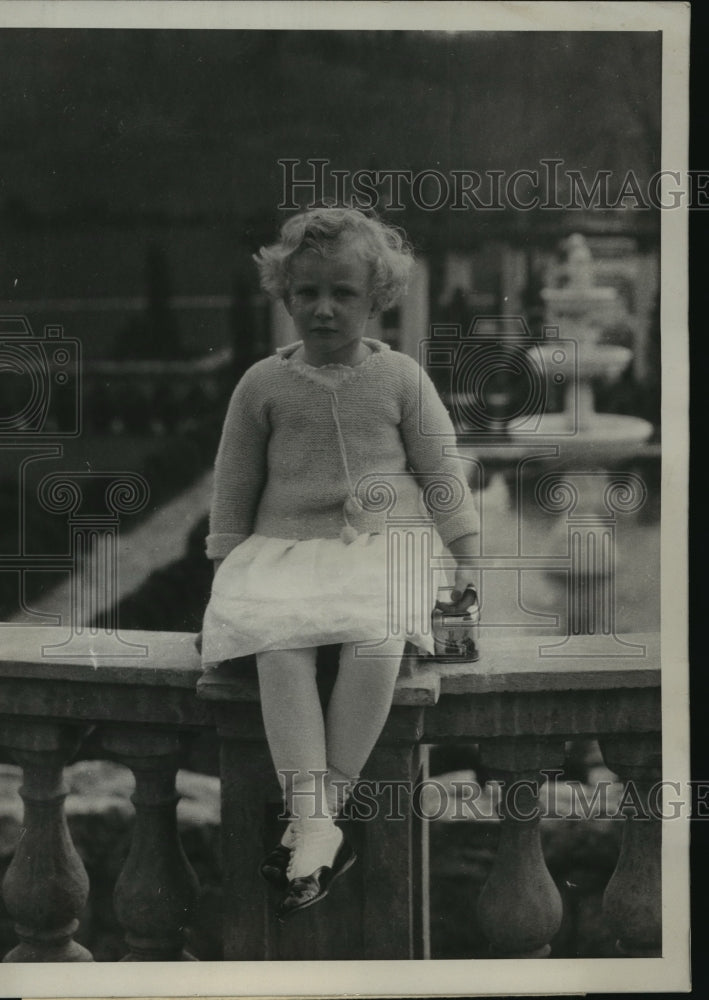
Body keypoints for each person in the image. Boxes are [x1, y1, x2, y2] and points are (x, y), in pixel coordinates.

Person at [200, 206, 479, 921]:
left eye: (343, 293)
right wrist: (227, 582)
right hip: (285, 551)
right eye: (307, 293)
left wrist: (467, 567)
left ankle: (324, 810)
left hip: (377, 549)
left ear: (376, 296)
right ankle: (314, 819)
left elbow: (441, 473)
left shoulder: (400, 379)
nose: (323, 309)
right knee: (278, 645)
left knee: (377, 637)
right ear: (284, 294)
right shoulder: (262, 384)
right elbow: (233, 489)